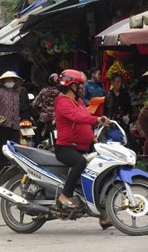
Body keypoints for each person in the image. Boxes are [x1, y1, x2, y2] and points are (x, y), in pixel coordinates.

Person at [54, 69, 112, 229]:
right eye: (80, 85)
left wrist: (94, 139)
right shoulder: (62, 101)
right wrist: (97, 119)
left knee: (101, 172)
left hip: (82, 145)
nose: (82, 88)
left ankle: (104, 215)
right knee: (79, 162)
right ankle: (64, 197)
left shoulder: (78, 101)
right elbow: (77, 117)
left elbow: (84, 121)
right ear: (71, 85)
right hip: (65, 147)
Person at [0, 71, 24, 177]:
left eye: (11, 80)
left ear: (15, 81)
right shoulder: (0, 92)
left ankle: (15, 173)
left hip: (14, 125)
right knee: (1, 151)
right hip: (2, 125)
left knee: (15, 150)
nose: (9, 82)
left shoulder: (17, 92)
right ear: (4, 81)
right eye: (7, 80)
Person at [103, 73, 134, 146]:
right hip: (112, 122)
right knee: (112, 140)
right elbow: (105, 109)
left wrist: (128, 116)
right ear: (113, 83)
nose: (119, 84)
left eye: (120, 82)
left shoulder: (125, 94)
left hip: (123, 122)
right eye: (117, 82)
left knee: (124, 140)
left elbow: (129, 107)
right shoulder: (109, 94)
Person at [32, 73, 60, 146]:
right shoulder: (59, 93)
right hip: (56, 118)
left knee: (36, 132)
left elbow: (35, 103)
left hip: (44, 117)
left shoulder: (44, 91)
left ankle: (38, 145)